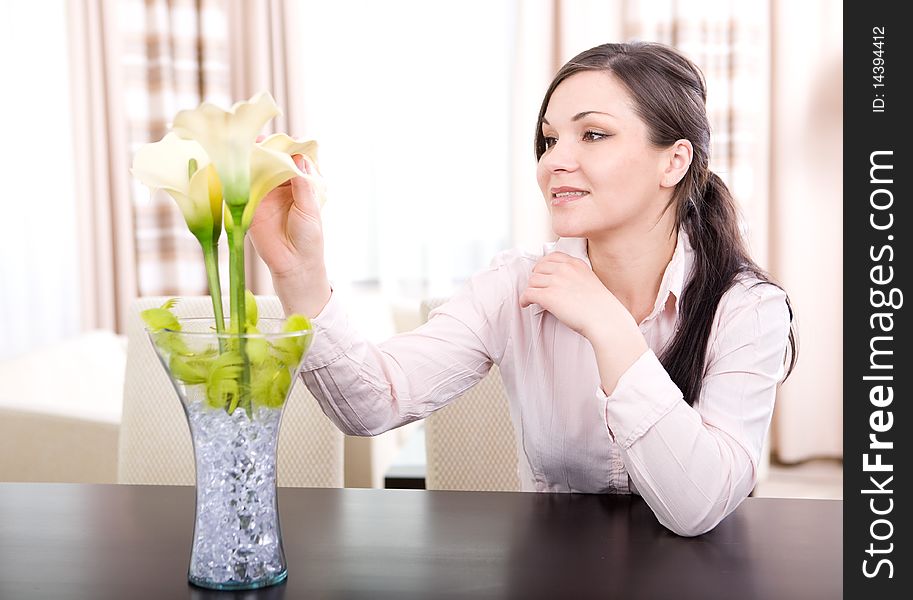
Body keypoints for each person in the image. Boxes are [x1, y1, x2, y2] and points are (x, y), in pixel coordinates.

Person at [249, 41, 797, 537]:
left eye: (594, 134)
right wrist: (301, 275)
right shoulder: (515, 284)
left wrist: (608, 327)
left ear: (674, 161)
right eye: (550, 139)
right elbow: (371, 404)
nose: (554, 160)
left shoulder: (748, 308)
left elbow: (697, 506)